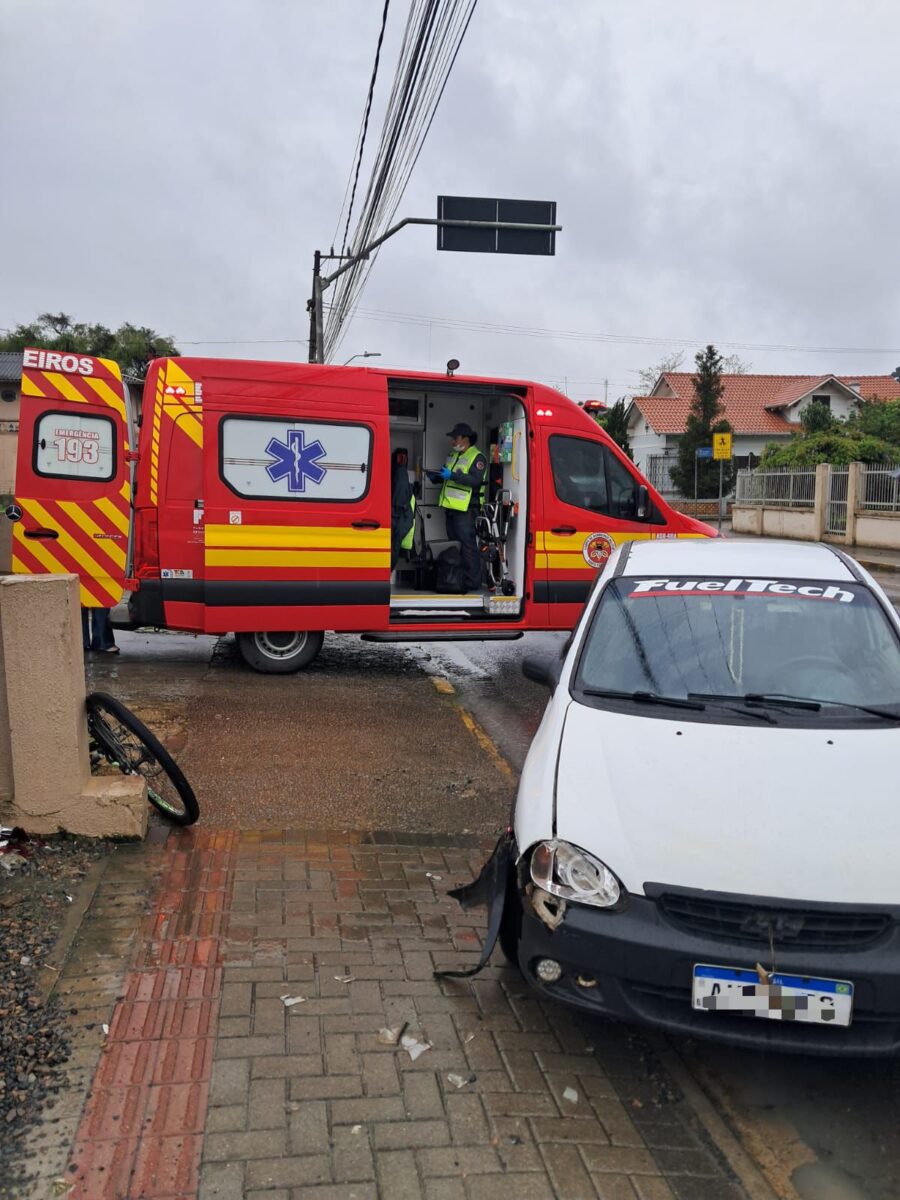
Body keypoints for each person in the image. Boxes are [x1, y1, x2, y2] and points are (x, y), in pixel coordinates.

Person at [435, 423, 487, 592]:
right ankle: (458, 580)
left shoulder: (478, 457)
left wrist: (452, 475)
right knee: (455, 546)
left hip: (467, 511)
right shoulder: (452, 455)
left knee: (467, 547)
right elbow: (448, 477)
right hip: (451, 509)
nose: (452, 441)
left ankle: (473, 582)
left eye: (455, 438)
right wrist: (437, 477)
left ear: (466, 439)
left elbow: (475, 480)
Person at [390, 447, 416, 568]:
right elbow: (400, 498)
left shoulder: (394, 471)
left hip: (395, 515)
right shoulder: (401, 472)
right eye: (401, 457)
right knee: (394, 547)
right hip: (398, 515)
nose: (403, 460)